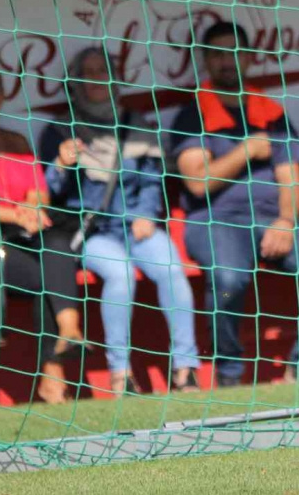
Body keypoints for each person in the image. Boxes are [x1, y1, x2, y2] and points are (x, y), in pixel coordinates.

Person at [169, 21, 299, 386]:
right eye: (217, 54)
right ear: (205, 60)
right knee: (228, 279)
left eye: (234, 52)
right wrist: (246, 150)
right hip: (215, 219)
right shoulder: (193, 112)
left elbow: (291, 176)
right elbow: (198, 183)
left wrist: (285, 220)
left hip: (273, 218)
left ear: (249, 57)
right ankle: (229, 373)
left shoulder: (270, 111)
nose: (226, 61)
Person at [38, 47, 201, 395]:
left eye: (103, 71)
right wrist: (61, 164)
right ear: (75, 82)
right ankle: (120, 374)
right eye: (88, 72)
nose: (97, 79)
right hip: (92, 231)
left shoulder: (134, 123)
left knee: (171, 268)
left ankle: (186, 368)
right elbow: (47, 193)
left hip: (134, 225)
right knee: (121, 274)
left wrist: (146, 215)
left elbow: (151, 180)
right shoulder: (61, 129)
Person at [0, 64, 87, 405]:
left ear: (5, 93)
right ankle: (54, 375)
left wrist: (32, 211)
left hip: (22, 236)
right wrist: (16, 214)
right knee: (46, 278)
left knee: (57, 243)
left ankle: (68, 336)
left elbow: (39, 194)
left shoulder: (16, 142)